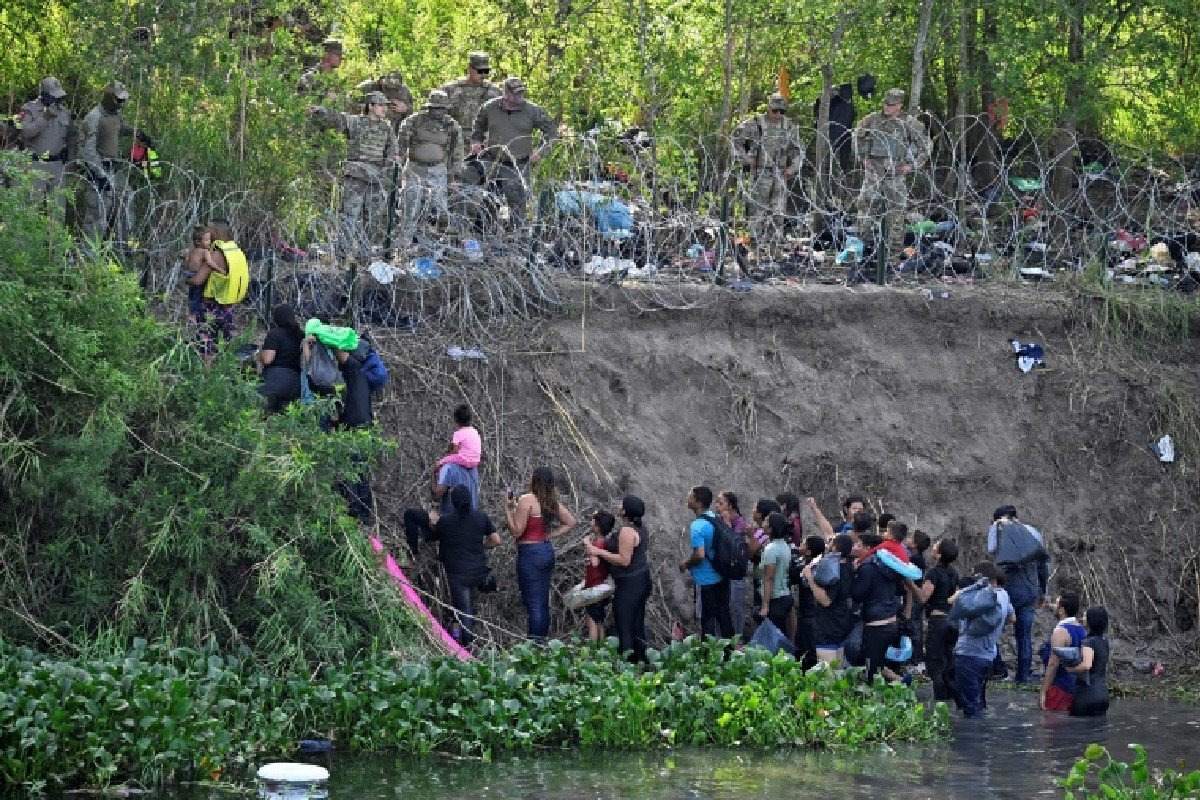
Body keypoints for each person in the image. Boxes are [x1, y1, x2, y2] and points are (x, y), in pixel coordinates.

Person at [309, 90, 399, 255]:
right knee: (350, 214)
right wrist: (320, 110)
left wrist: (385, 171)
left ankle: (364, 251)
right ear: (370, 106)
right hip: (356, 175)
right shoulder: (355, 122)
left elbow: (392, 152)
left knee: (372, 217)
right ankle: (343, 250)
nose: (384, 109)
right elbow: (337, 118)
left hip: (376, 177)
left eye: (385, 106)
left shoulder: (386, 128)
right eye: (380, 105)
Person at [852, 87, 932, 266]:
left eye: (891, 105)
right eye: (886, 103)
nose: (887, 107)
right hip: (873, 174)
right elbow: (857, 137)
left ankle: (892, 257)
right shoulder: (872, 120)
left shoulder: (910, 123)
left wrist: (912, 165)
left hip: (896, 175)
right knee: (865, 211)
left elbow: (926, 146)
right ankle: (860, 252)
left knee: (896, 216)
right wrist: (863, 158)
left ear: (900, 106)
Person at [470, 76, 558, 227]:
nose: (519, 96)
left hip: (518, 165)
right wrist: (476, 141)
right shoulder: (489, 108)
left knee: (518, 207)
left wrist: (541, 152)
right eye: (515, 93)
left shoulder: (532, 110)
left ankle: (518, 238)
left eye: (521, 93)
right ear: (505, 93)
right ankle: (487, 234)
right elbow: (478, 127)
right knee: (487, 201)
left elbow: (552, 133)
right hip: (492, 162)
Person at [503, 467, 577, 642]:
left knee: (533, 605)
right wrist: (549, 535)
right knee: (542, 602)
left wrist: (507, 509)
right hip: (546, 550)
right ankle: (541, 642)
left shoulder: (526, 499)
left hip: (530, 554)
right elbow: (571, 522)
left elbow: (516, 531)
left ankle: (534, 645)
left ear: (534, 480)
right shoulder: (551, 501)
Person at [731, 93, 804, 262]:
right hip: (760, 173)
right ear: (768, 108)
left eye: (781, 111)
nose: (778, 114)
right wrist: (746, 158)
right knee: (757, 212)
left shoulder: (789, 126)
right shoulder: (756, 124)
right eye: (775, 110)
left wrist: (793, 167)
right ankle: (754, 249)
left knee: (777, 213)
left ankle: (774, 248)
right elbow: (735, 139)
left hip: (780, 174)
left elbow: (798, 149)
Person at [427, 484, 502, 646]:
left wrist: (433, 521)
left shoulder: (445, 522)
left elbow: (433, 533)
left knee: (464, 611)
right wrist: (481, 546)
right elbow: (496, 540)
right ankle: (464, 639)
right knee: (466, 610)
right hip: (478, 572)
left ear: (453, 502)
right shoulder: (481, 516)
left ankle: (467, 648)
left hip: (458, 575)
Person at [987, 504, 1049, 684]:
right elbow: (1042, 566)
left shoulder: (997, 530)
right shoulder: (1032, 532)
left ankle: (998, 668)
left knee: (991, 628)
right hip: (1030, 590)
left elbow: (993, 554)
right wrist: (1042, 591)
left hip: (1008, 590)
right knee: (1024, 636)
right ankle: (1022, 678)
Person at [586, 496, 652, 662]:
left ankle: (628, 666)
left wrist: (599, 552)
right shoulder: (641, 527)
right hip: (642, 580)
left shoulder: (627, 531)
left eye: (621, 504)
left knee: (624, 625)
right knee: (637, 624)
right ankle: (641, 662)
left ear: (625, 511)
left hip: (630, 584)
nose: (618, 505)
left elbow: (624, 560)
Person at [79, 81, 148, 240]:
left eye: (123, 100)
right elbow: (88, 151)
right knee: (98, 214)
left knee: (126, 205)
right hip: (99, 171)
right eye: (119, 100)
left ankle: (123, 249)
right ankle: (89, 256)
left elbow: (119, 127)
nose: (121, 104)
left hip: (115, 170)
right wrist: (100, 175)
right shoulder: (94, 117)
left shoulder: (115, 114)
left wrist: (137, 133)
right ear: (109, 98)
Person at [396, 89, 464, 248]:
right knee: (410, 207)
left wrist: (454, 179)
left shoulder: (451, 125)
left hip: (438, 171)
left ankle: (435, 246)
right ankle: (405, 245)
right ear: (429, 107)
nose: (438, 112)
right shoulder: (414, 121)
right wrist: (398, 169)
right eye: (435, 108)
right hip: (414, 169)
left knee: (438, 209)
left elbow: (457, 154)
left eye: (441, 108)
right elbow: (400, 147)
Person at [948, 563, 1015, 718]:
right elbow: (1013, 617)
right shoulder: (1003, 595)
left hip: (968, 654)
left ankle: (972, 740)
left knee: (970, 709)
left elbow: (951, 601)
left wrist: (971, 588)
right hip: (988, 655)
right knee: (977, 702)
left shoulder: (979, 596)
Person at [188, 219, 246, 367]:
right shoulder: (236, 251)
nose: (206, 233)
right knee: (227, 345)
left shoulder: (216, 255)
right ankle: (225, 375)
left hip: (210, 308)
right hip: (228, 307)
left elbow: (197, 280)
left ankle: (206, 379)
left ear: (217, 233)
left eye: (209, 230)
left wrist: (187, 279)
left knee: (206, 347)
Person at [908, 538, 960, 702]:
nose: (933, 548)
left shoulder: (933, 573)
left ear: (938, 554)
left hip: (938, 622)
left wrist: (908, 582)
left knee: (934, 665)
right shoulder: (954, 573)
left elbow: (923, 597)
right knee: (948, 662)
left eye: (936, 546)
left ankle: (940, 703)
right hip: (952, 621)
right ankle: (952, 700)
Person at [679, 486, 734, 639]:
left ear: (698, 503)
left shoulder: (697, 525)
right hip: (722, 575)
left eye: (690, 497)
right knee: (724, 614)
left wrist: (686, 564)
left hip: (705, 580)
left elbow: (700, 554)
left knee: (707, 618)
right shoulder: (715, 518)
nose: (687, 499)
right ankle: (730, 652)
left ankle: (708, 655)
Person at [439, 51, 501, 182]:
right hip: (455, 145)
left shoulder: (495, 92)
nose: (483, 75)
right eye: (479, 71)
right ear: (469, 69)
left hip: (485, 147)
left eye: (486, 71)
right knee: (454, 183)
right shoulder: (451, 90)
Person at [851, 534, 904, 682]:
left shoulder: (867, 567)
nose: (856, 547)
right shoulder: (888, 564)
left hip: (876, 626)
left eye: (859, 545)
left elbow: (857, 594)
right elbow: (899, 589)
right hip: (891, 622)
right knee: (878, 663)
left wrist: (853, 573)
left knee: (871, 672)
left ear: (868, 548)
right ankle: (899, 681)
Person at [17, 77, 72, 204]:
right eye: (54, 96)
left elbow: (72, 136)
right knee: (32, 207)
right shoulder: (29, 109)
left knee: (58, 210)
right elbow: (25, 132)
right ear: (44, 94)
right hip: (36, 165)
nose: (57, 100)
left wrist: (70, 159)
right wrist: (44, 117)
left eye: (59, 97)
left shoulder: (64, 112)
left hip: (58, 165)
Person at [805, 533, 854, 663]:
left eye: (831, 543)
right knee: (838, 673)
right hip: (841, 622)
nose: (827, 545)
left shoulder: (833, 572)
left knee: (828, 675)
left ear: (835, 548)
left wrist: (810, 577)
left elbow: (826, 601)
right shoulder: (849, 566)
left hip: (828, 626)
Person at [1039, 592, 1087, 712]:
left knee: (1051, 724)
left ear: (1062, 610)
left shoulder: (1060, 631)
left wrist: (1043, 691)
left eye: (1056, 604)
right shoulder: (1081, 629)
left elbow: (1053, 663)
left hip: (1059, 687)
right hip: (1075, 687)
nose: (1053, 607)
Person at [1066, 606, 1111, 717]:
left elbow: (1087, 665)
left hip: (1087, 694)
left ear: (1091, 620)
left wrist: (1070, 669)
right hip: (1103, 695)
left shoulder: (1088, 642)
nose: (1083, 618)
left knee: (1078, 730)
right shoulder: (1104, 642)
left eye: (1086, 616)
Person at [259, 303, 304, 412]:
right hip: (294, 383)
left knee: (263, 416)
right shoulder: (300, 335)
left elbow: (267, 359)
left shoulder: (274, 334)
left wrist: (259, 356)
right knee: (284, 419)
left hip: (274, 380)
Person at [715, 491, 748, 637]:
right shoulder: (718, 519)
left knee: (736, 607)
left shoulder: (739, 522)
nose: (717, 506)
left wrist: (727, 523)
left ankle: (738, 639)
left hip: (735, 571)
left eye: (720, 503)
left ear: (730, 505)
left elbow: (733, 543)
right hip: (721, 570)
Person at [580, 511, 615, 643]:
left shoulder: (597, 545)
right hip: (599, 588)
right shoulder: (603, 543)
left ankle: (593, 652)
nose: (590, 522)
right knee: (598, 619)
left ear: (597, 527)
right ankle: (602, 648)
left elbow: (595, 563)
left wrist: (587, 543)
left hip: (595, 590)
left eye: (593, 520)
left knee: (592, 620)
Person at [757, 513, 794, 633]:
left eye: (766, 521)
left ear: (771, 528)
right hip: (785, 595)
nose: (763, 523)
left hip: (775, 599)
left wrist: (765, 605)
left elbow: (769, 578)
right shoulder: (784, 545)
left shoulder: (771, 549)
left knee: (772, 641)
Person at [793, 535, 825, 668]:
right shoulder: (821, 564)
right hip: (814, 613)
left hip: (809, 614)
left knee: (807, 648)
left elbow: (795, 576)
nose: (800, 545)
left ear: (809, 552)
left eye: (804, 544)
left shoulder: (808, 567)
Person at [813, 82, 856, 175]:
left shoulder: (843, 104)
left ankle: (838, 174)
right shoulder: (834, 102)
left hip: (840, 135)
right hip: (834, 135)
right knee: (831, 162)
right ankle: (835, 174)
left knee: (836, 162)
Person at [297, 39, 345, 105]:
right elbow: (302, 104)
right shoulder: (309, 77)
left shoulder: (336, 81)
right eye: (338, 55)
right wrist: (325, 96)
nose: (341, 58)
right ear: (326, 55)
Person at [437, 403, 482, 470]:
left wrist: (448, 456)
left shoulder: (458, 434)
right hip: (475, 461)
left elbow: (455, 451)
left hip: (465, 460)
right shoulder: (475, 431)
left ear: (456, 420)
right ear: (470, 419)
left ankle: (434, 480)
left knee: (437, 465)